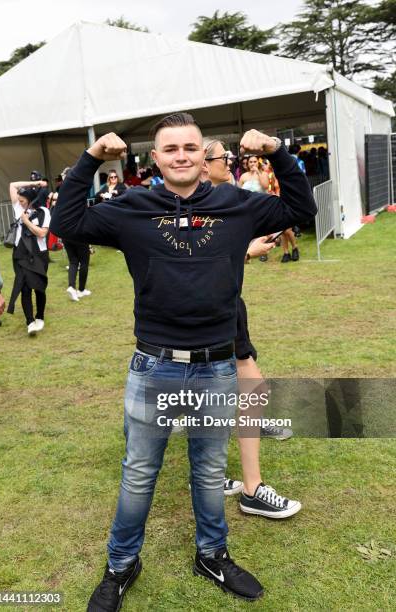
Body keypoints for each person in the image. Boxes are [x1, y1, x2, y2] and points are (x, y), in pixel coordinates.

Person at [51, 112, 317, 610]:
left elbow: (302, 209)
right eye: (170, 149)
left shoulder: (237, 204)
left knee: (210, 468)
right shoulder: (133, 206)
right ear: (155, 159)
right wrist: (89, 160)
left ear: (204, 154)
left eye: (189, 148)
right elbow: (69, 223)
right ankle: (120, 565)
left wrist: (277, 151)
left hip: (217, 365)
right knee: (139, 473)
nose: (180, 156)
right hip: (155, 366)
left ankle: (211, 554)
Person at [202, 139, 301, 515]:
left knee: (240, 385)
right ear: (202, 165)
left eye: (228, 154)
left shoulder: (229, 198)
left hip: (229, 303)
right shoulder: (196, 203)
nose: (228, 159)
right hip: (210, 308)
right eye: (220, 156)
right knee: (233, 387)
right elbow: (199, 258)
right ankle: (248, 486)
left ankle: (236, 476)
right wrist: (247, 251)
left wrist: (248, 246)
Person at [7, 180, 50, 335]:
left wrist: (26, 222)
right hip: (20, 255)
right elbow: (12, 185)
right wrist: (36, 182)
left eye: (23, 201)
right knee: (24, 287)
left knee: (39, 287)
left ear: (31, 199)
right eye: (19, 201)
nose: (20, 203)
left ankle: (40, 316)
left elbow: (42, 233)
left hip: (39, 255)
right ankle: (30, 321)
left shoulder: (43, 211)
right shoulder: (18, 208)